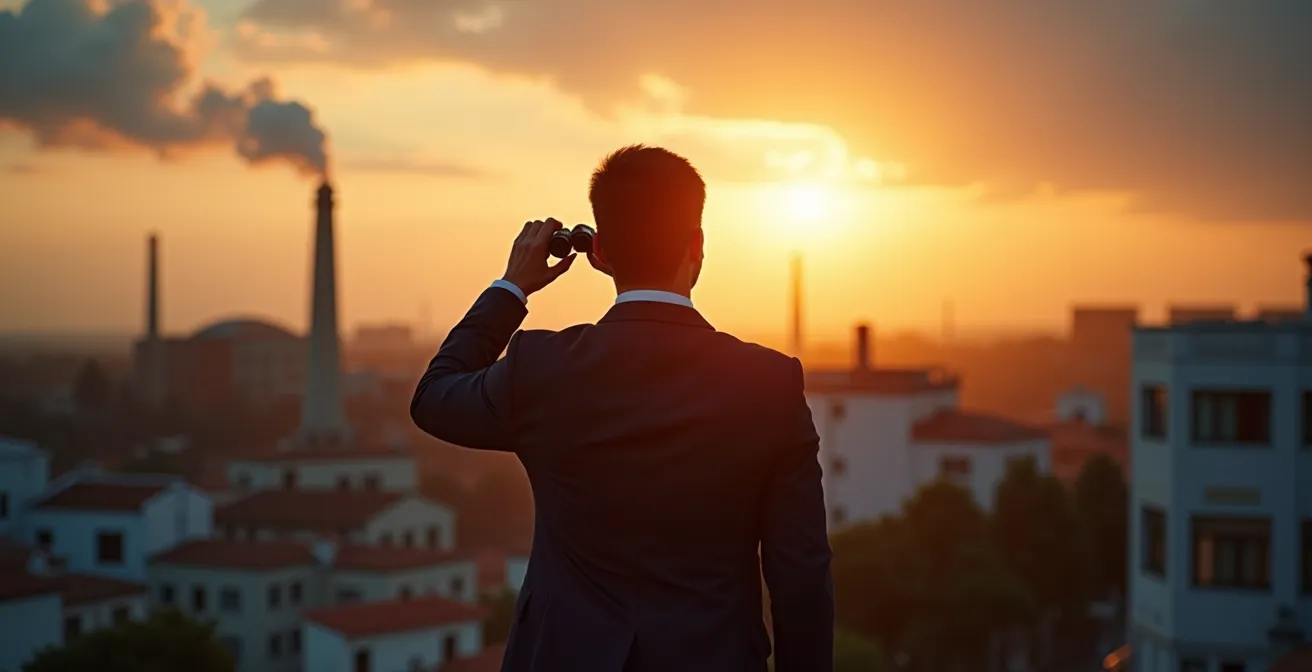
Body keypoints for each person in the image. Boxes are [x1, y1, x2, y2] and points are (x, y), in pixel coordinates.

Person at [411, 145, 834, 672]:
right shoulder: (769, 383)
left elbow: (433, 398)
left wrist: (511, 287)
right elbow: (800, 574)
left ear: (600, 252)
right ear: (697, 245)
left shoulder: (539, 369)